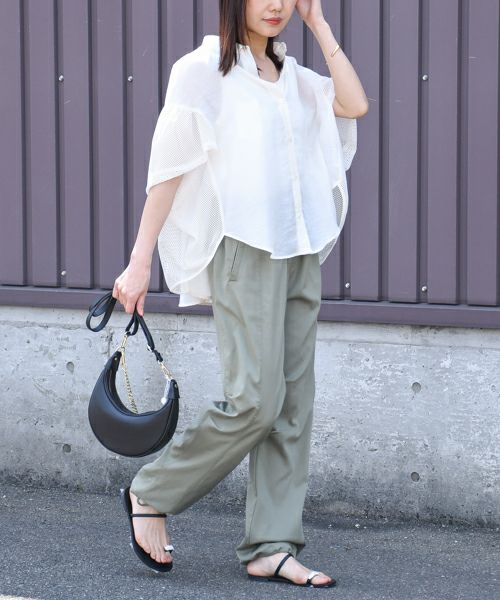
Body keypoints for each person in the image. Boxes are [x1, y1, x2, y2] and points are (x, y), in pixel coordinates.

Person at [112, 0, 368, 588]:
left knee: (292, 406)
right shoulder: (202, 71)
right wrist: (140, 259)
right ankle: (152, 492)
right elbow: (169, 170)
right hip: (245, 251)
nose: (276, 4)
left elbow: (355, 104)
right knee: (255, 400)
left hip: (299, 250)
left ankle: (271, 546)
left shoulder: (295, 77)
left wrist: (319, 24)